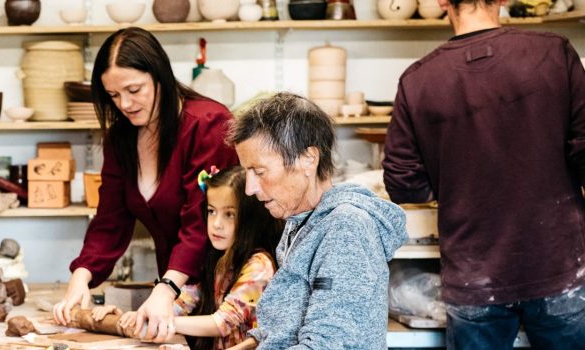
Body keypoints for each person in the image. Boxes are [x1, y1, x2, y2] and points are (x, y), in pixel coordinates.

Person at [381, 0, 585, 346]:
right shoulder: (554, 53)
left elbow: (403, 184)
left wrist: (454, 178)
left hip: (474, 274)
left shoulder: (417, 81)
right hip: (558, 265)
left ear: (443, 2)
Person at [52, 27, 239, 343]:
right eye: (113, 95)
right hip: (176, 291)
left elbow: (199, 222)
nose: (124, 103)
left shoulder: (208, 124)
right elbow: (109, 220)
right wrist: (80, 278)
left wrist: (166, 290)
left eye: (134, 89)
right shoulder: (120, 139)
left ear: (159, 76)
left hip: (225, 287)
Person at [222, 92, 406, 349]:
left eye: (259, 171)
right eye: (247, 172)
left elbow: (325, 345)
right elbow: (281, 329)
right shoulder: (300, 222)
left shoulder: (346, 229)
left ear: (308, 159)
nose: (249, 189)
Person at [93, 165, 283, 350]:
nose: (216, 223)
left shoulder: (258, 266)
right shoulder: (218, 260)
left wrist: (168, 322)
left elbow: (222, 322)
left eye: (229, 215)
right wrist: (137, 316)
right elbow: (184, 301)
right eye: (211, 211)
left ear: (250, 218)